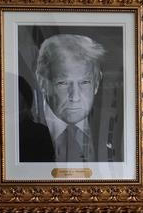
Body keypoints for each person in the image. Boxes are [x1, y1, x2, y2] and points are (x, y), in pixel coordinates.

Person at [18, 34, 119, 163]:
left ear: (97, 82)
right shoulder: (21, 135)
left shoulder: (118, 129)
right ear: (43, 83)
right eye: (63, 83)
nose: (75, 97)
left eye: (84, 82)